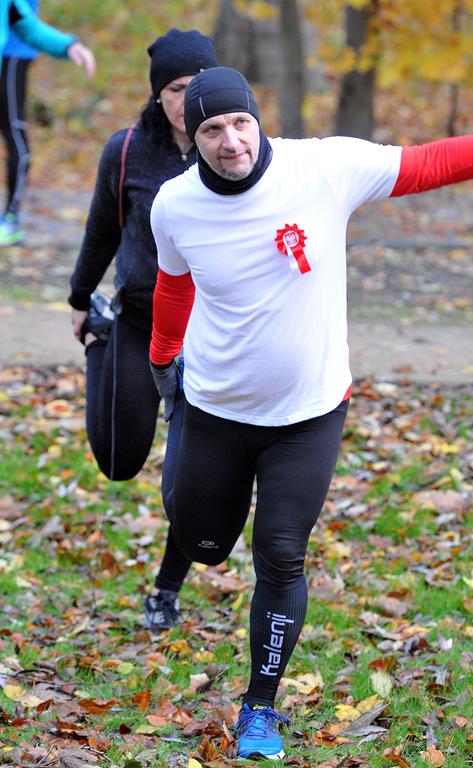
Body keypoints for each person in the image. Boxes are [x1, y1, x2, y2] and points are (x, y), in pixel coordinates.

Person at [148, 65, 473, 760]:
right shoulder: (175, 204)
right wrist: (163, 358)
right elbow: (173, 284)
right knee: (203, 546)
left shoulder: (323, 169)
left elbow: (431, 163)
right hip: (216, 407)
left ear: (258, 119)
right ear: (193, 137)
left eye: (241, 123)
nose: (231, 141)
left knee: (281, 553)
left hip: (310, 412)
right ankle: (186, 469)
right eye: (212, 130)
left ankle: (259, 707)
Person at [68, 29, 219, 633]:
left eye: (198, 85)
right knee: (117, 459)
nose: (188, 99)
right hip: (135, 320)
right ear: (159, 95)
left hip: (209, 336)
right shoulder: (128, 150)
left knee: (192, 479)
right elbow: (102, 229)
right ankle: (99, 345)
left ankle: (166, 589)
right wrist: (80, 297)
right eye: (176, 88)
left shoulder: (234, 148)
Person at [0, 0, 95, 246]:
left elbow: (26, 25)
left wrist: (68, 45)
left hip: (12, 58)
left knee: (14, 133)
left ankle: (10, 217)